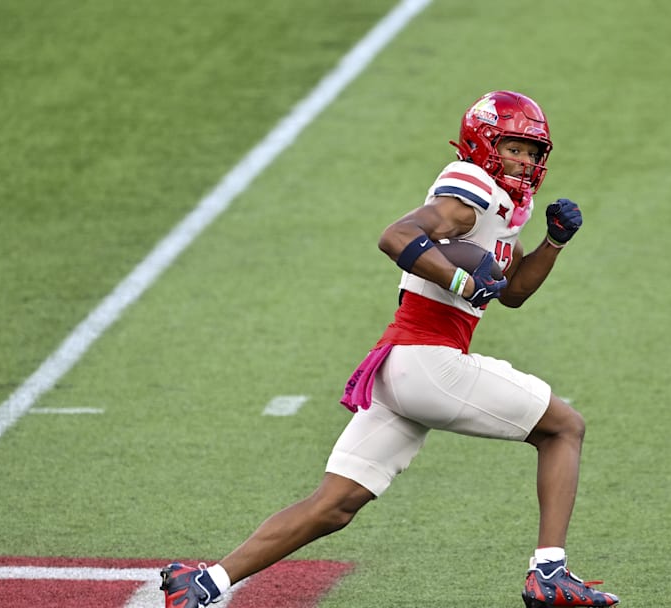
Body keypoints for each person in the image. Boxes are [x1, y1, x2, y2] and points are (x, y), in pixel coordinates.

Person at [160, 90, 619, 607]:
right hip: (429, 359)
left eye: (534, 153)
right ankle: (549, 573)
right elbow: (397, 236)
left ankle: (204, 583)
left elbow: (511, 293)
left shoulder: (499, 207)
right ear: (484, 143)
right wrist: (463, 283)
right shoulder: (472, 187)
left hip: (400, 367)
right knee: (565, 428)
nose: (526, 161)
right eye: (516, 147)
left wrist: (552, 244)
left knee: (334, 504)